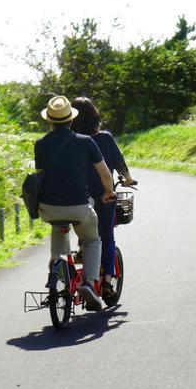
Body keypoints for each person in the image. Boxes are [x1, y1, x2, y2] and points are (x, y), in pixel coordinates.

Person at [35, 95, 115, 311]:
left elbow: (40, 176)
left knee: (58, 227)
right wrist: (108, 192)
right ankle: (89, 282)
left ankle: (56, 267)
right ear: (71, 120)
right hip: (80, 207)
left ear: (50, 121)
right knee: (92, 240)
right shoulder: (86, 141)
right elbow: (106, 174)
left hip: (49, 209)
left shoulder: (40, 144)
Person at [70, 96, 135, 305]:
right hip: (104, 197)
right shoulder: (105, 138)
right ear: (95, 116)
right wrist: (128, 179)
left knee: (85, 232)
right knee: (107, 237)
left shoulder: (71, 140)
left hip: (78, 198)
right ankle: (107, 281)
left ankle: (82, 255)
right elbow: (118, 162)